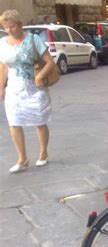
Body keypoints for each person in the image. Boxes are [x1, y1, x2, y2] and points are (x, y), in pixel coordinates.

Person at [0, 10, 55, 173]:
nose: (9, 30)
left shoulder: (33, 39)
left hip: (34, 87)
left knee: (39, 121)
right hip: (14, 89)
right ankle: (22, 158)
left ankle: (43, 153)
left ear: (19, 24)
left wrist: (40, 77)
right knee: (14, 123)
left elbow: (50, 62)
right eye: (6, 27)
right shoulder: (2, 43)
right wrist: (1, 86)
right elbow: (3, 66)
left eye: (12, 26)